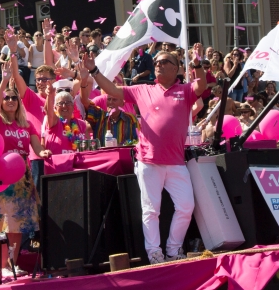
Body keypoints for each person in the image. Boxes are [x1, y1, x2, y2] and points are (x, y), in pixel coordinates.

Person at [82, 49, 205, 264]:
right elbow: (111, 89)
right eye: (156, 61)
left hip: (176, 162)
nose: (158, 63)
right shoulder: (142, 90)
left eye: (164, 61)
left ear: (176, 69)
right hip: (149, 161)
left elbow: (201, 86)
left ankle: (174, 250)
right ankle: (154, 253)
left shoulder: (184, 91)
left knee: (186, 206)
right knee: (151, 210)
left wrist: (197, 65)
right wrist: (93, 70)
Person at [0, 58, 51, 276]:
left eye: (15, 97)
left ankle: (12, 264)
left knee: (18, 226)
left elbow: (37, 146)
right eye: (8, 98)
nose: (11, 100)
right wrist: (4, 83)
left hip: (23, 178)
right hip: (4, 177)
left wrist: (43, 152)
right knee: (6, 225)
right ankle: (3, 265)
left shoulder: (26, 124)